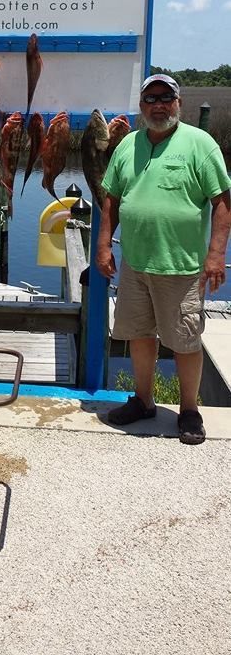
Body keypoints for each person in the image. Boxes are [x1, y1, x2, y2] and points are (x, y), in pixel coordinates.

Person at [96, 74, 231, 444]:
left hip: (183, 267)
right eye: (151, 98)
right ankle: (143, 400)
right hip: (135, 264)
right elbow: (111, 199)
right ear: (141, 107)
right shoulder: (127, 145)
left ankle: (189, 410)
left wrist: (216, 254)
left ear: (178, 103)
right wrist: (104, 246)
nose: (158, 104)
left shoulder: (200, 144)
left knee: (186, 341)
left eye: (166, 97)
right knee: (139, 335)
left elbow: (222, 202)